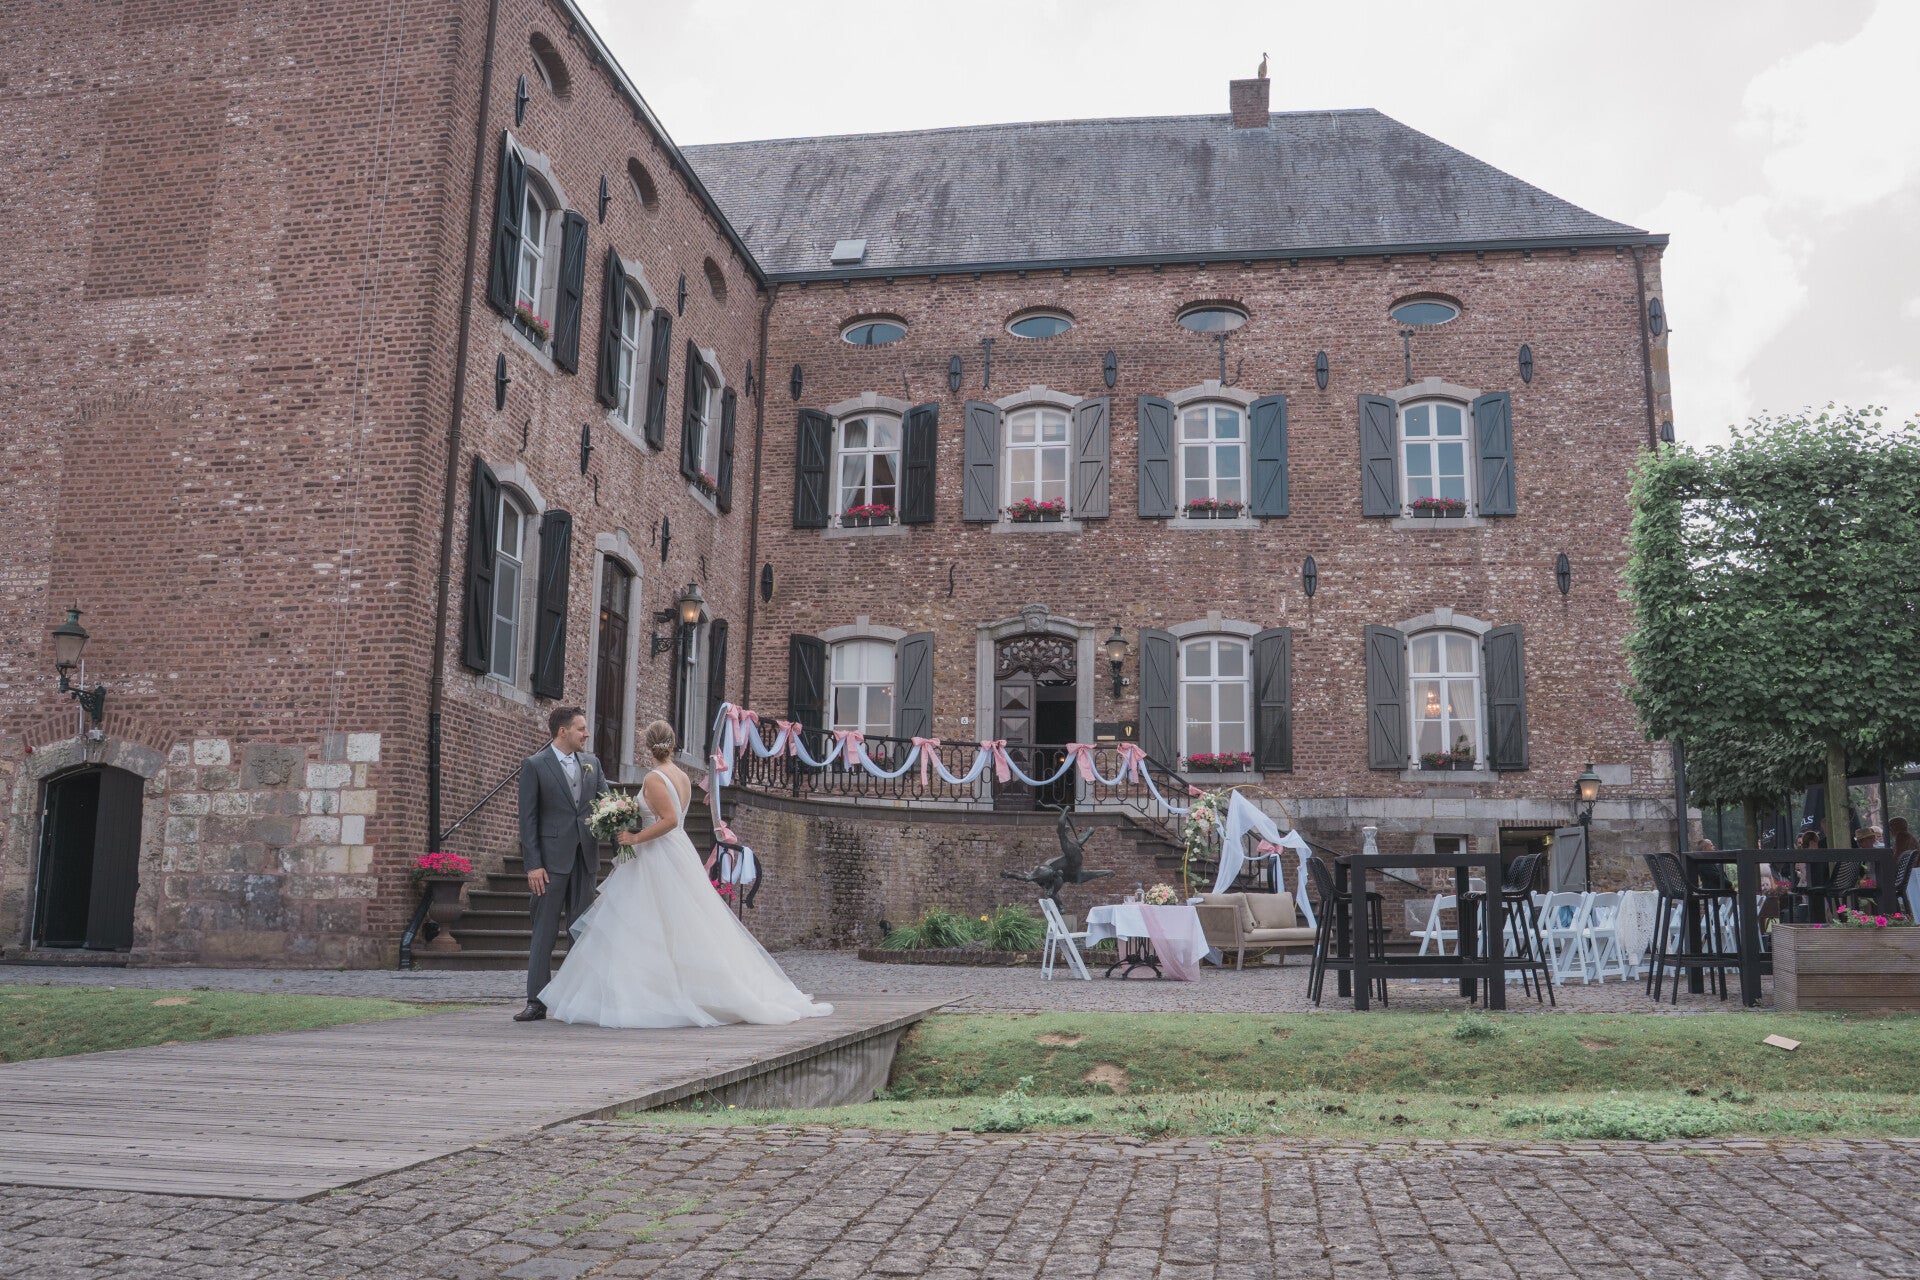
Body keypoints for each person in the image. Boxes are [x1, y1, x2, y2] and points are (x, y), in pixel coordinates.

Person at [539, 720, 833, 1028]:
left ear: (648, 745)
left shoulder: (654, 778)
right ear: (672, 744)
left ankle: (656, 993)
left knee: (648, 921)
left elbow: (668, 820)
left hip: (658, 853)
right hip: (676, 850)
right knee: (673, 921)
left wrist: (635, 838)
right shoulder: (681, 776)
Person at [514, 706, 611, 1022]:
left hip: (586, 858)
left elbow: (608, 806)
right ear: (563, 731)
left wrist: (622, 840)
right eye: (581, 728)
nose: (587, 734)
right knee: (544, 932)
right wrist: (533, 865)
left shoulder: (593, 764)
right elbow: (528, 819)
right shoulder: (535, 765)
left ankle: (576, 1001)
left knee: (580, 932)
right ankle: (536, 1001)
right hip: (549, 864)